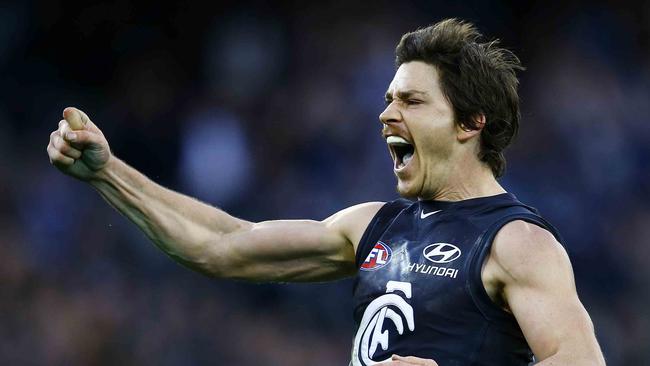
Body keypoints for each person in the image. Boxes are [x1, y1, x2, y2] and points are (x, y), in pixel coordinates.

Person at [47, 18, 605, 366]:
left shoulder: (516, 241)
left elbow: (582, 361)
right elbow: (221, 245)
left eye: (411, 102)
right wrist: (107, 172)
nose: (386, 113)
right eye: (388, 98)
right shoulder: (375, 226)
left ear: (470, 123)